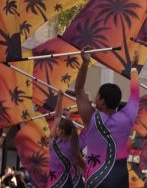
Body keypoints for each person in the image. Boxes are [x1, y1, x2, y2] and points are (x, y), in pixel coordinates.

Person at [74, 47, 138, 187]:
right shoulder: (128, 117)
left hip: (96, 179)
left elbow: (78, 89)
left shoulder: (92, 118)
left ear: (102, 101)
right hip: (120, 179)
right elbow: (134, 94)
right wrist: (133, 70)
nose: (95, 97)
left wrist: (85, 62)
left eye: (97, 95)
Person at [48, 90, 85, 188]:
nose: (55, 128)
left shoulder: (53, 141)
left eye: (57, 127)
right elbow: (87, 127)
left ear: (61, 131)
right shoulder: (76, 143)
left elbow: (57, 116)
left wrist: (60, 99)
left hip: (55, 182)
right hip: (69, 182)